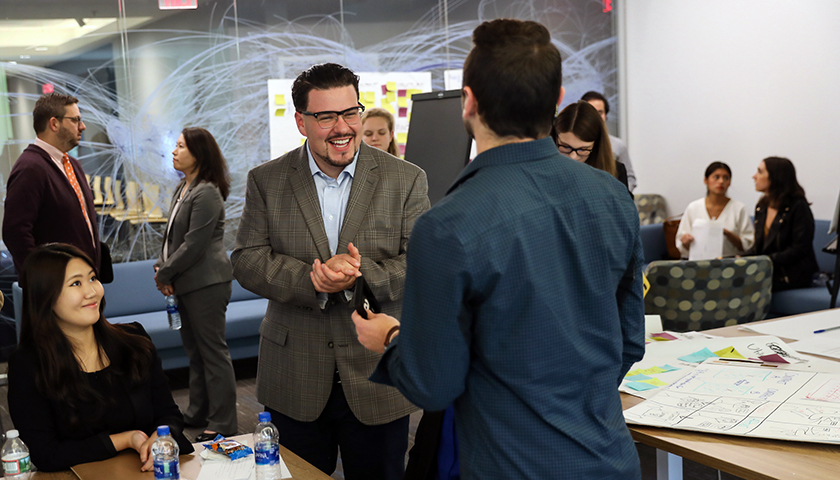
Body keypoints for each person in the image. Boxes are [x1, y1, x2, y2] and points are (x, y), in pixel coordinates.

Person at [352, 19, 644, 480]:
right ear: (557, 99)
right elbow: (629, 340)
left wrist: (389, 337)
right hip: (611, 458)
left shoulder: (447, 225)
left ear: (468, 102)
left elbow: (434, 384)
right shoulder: (614, 198)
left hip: (513, 465)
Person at [231, 62, 430, 480]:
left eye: (350, 112)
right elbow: (247, 259)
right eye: (326, 117)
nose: (343, 127)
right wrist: (310, 279)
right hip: (294, 375)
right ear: (302, 122)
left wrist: (363, 274)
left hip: (376, 375)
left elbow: (424, 262)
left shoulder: (406, 178)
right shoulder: (267, 180)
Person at [7, 244, 193, 472]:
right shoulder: (29, 364)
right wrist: (125, 439)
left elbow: (169, 413)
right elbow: (46, 454)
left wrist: (161, 436)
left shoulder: (133, 341)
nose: (92, 291)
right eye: (76, 283)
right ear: (45, 296)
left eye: (92, 278)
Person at [153, 127, 238, 442]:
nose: (173, 152)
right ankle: (198, 412)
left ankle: (223, 422)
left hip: (207, 283)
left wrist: (165, 273)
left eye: (179, 146)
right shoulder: (183, 188)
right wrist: (163, 266)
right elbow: (173, 237)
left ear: (199, 153)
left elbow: (194, 244)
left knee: (213, 353)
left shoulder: (207, 192)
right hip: (186, 281)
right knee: (196, 353)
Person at [3, 93, 102, 276]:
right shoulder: (31, 168)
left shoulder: (72, 164)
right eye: (76, 120)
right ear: (54, 123)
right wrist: (42, 278)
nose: (82, 126)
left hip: (83, 280)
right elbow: (15, 232)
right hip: (55, 289)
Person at [745, 156, 818, 291]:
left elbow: (799, 249)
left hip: (791, 273)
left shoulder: (798, 206)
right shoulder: (762, 206)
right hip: (768, 269)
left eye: (760, 172)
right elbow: (759, 248)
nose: (754, 176)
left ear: (775, 177)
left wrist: (762, 261)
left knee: (742, 286)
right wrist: (737, 259)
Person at [675, 162, 755, 258]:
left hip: (729, 262)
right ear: (706, 180)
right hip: (698, 261)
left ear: (730, 182)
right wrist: (686, 241)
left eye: (726, 178)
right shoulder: (693, 207)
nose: (721, 182)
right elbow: (682, 244)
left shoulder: (739, 208)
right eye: (716, 177)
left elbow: (748, 245)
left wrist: (728, 234)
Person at [552, 100, 631, 192]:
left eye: (583, 149)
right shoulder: (543, 171)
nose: (573, 157)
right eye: (566, 147)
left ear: (596, 146)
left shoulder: (616, 172)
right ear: (554, 140)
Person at [581, 90, 637, 192]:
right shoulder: (572, 143)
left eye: (600, 112)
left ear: (606, 116)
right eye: (592, 112)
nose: (596, 117)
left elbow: (630, 178)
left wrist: (619, 194)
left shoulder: (618, 145)